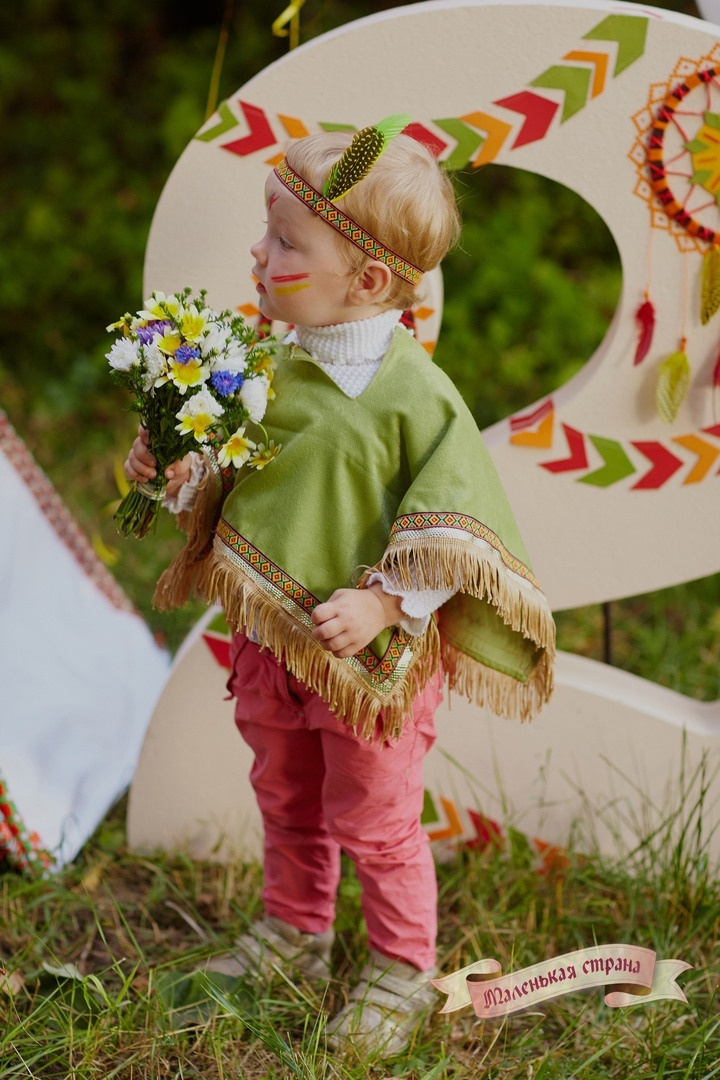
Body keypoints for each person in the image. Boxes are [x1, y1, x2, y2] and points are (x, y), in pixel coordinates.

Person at [124, 121, 556, 1057]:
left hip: (368, 659)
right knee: (285, 791)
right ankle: (296, 928)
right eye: (265, 233)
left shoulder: (416, 396)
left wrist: (389, 605)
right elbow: (239, 485)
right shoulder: (264, 369)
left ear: (366, 280)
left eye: (285, 240)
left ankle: (401, 965)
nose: (258, 252)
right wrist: (175, 472)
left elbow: (455, 524)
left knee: (376, 813)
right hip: (276, 646)